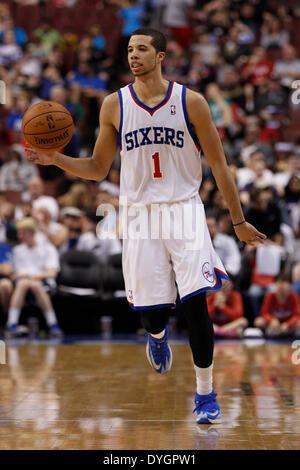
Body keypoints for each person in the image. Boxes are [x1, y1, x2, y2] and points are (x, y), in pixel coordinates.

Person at [26, 28, 266, 424]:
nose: (133, 55)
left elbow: (220, 166)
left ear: (161, 56)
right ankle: (156, 337)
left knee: (195, 303)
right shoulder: (113, 105)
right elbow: (99, 168)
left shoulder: (192, 102)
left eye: (141, 49)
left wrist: (238, 220)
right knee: (153, 314)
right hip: (138, 214)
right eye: (130, 50)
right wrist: (57, 160)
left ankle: (205, 394)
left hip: (185, 210)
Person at [5, 217, 62, 338]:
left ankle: (53, 324)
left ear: (32, 233)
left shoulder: (48, 248)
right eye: (19, 233)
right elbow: (13, 274)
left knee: (34, 284)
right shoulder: (17, 250)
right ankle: (12, 324)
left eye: (23, 232)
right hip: (22, 283)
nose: (19, 236)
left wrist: (35, 276)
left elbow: (52, 273)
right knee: (23, 283)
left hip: (43, 282)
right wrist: (20, 276)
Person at [254, 272, 300, 337]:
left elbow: (297, 315)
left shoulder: (294, 297)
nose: (281, 285)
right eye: (278, 282)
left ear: (290, 285)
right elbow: (264, 313)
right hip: (274, 325)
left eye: (284, 282)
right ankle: (267, 334)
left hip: (288, 326)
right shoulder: (270, 296)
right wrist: (272, 320)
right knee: (258, 321)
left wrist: (288, 324)